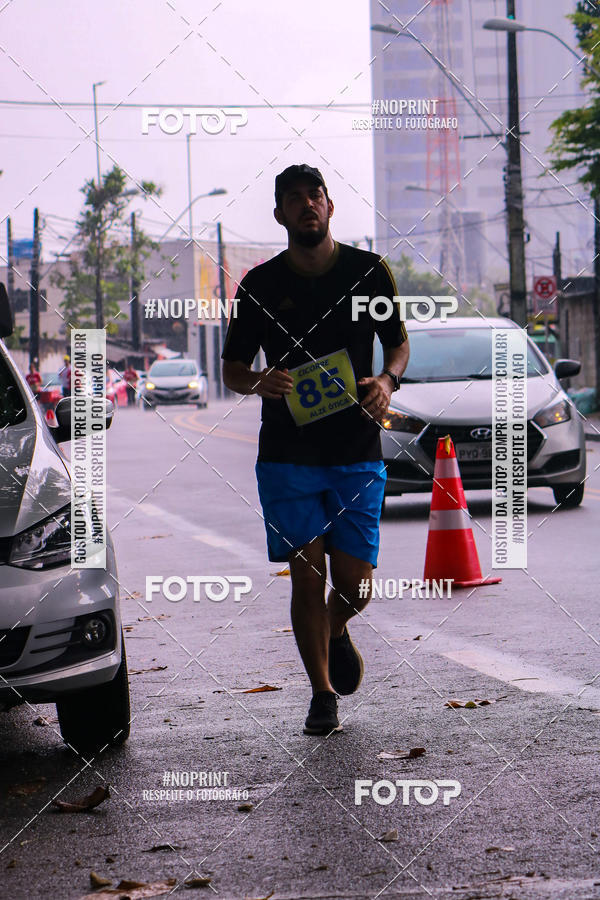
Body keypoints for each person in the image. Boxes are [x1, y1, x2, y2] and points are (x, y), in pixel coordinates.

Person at [222, 164, 409, 735]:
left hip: (356, 447)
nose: (307, 205)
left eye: (315, 196)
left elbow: (397, 346)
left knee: (354, 583)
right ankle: (321, 694)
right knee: (306, 573)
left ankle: (334, 627)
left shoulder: (368, 272)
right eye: (294, 199)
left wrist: (387, 382)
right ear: (280, 214)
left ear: (330, 207)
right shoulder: (257, 285)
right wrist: (260, 382)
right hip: (287, 453)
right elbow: (231, 369)